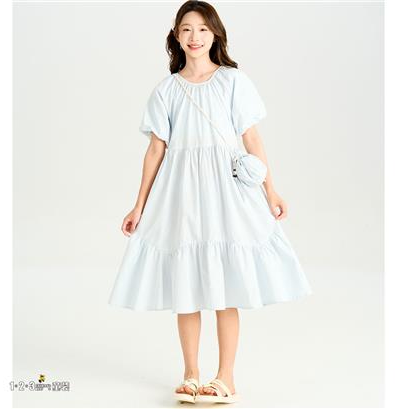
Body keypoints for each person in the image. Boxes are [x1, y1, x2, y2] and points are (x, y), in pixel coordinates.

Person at [108, 0, 313, 404]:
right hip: (181, 193)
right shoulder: (166, 90)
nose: (195, 36)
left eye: (202, 29)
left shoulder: (233, 81)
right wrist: (139, 206)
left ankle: (225, 377)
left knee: (225, 283)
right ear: (176, 36)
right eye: (186, 29)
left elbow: (252, 139)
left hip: (225, 191)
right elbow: (155, 150)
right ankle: (190, 374)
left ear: (215, 34)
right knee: (187, 281)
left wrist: (271, 190)